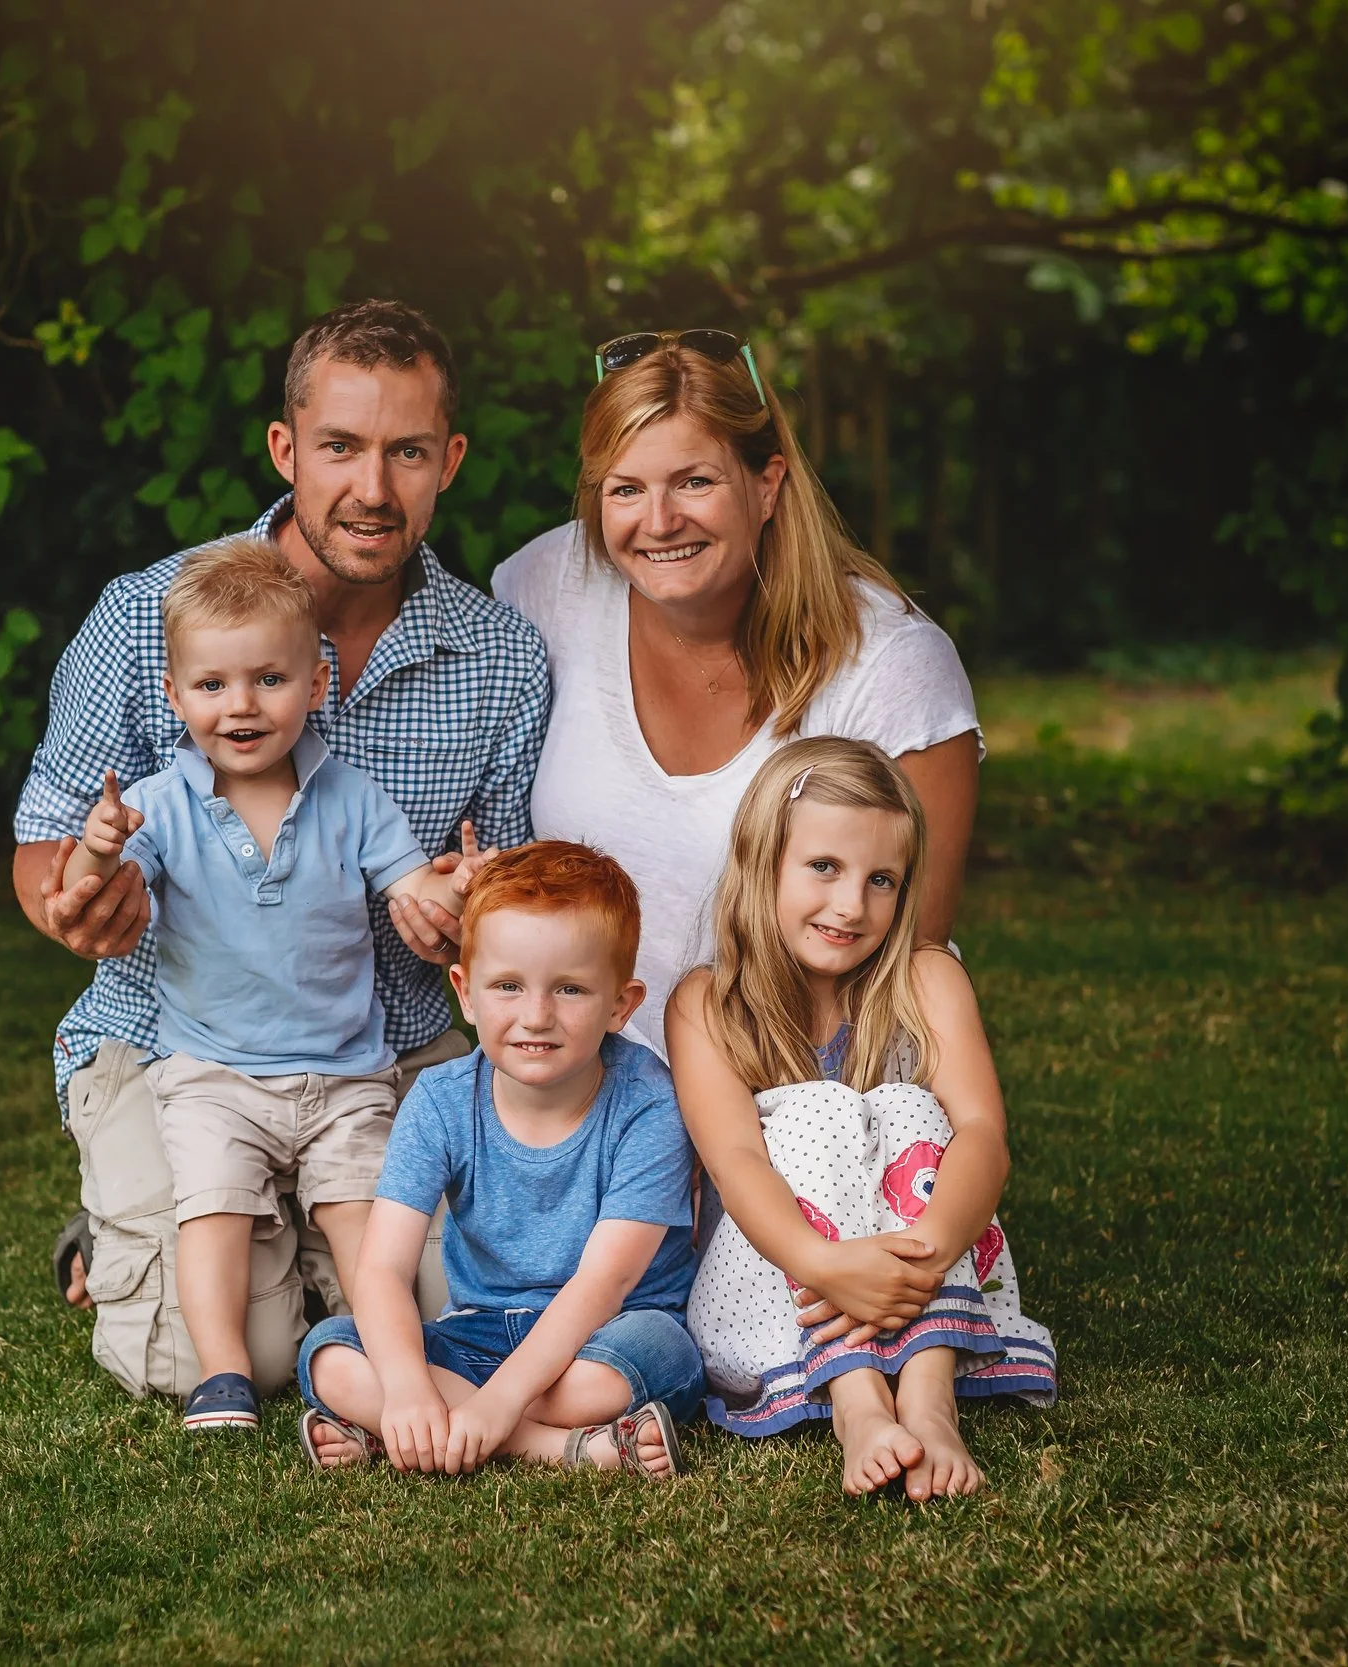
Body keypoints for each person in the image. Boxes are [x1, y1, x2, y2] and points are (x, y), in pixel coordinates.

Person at [11, 300, 551, 1401]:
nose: (373, 488)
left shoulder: (498, 658)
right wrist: (76, 903)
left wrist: (468, 898)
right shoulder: (143, 618)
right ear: (286, 448)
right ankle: (137, 1217)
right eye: (341, 447)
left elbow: (511, 881)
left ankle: (254, 1227)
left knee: (455, 1320)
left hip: (384, 1048)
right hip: (179, 1047)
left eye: (407, 452)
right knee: (225, 1360)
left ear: (448, 460)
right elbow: (43, 840)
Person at [435, 329, 979, 1058]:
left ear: (767, 483)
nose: (658, 522)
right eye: (626, 489)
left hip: (803, 1091)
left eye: (694, 481)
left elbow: (911, 957)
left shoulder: (892, 664)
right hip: (584, 1090)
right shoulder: (547, 588)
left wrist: (722, 1137)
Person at [60, 534, 483, 1431]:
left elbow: (412, 886)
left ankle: (384, 1364)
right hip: (212, 1074)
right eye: (212, 686)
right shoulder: (161, 804)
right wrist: (99, 844)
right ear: (175, 696)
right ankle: (222, 1375)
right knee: (211, 1213)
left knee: (367, 1222)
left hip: (345, 1071)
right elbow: (85, 892)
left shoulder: (352, 798)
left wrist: (454, 886)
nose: (240, 706)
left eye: (269, 680)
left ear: (316, 683)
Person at [669, 737, 1056, 1500]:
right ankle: (856, 1406)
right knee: (815, 1107)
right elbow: (735, 1165)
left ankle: (928, 1402)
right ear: (762, 862)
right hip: (777, 1282)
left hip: (921, 1273)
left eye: (881, 879)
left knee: (908, 1102)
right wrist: (825, 1264)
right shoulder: (708, 1003)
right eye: (824, 868)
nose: (852, 905)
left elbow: (982, 1132)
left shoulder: (926, 977)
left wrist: (928, 1253)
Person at [297, 842, 705, 1479]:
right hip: (475, 1334)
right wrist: (406, 1387)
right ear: (465, 991)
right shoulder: (441, 1099)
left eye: (570, 989)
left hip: (608, 1335)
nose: (535, 1017)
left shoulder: (648, 1104)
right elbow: (381, 1267)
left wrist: (501, 1401)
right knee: (331, 1354)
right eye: (508, 986)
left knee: (639, 1365)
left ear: (621, 1005)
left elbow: (605, 1283)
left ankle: (423, 1433)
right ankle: (567, 1450)